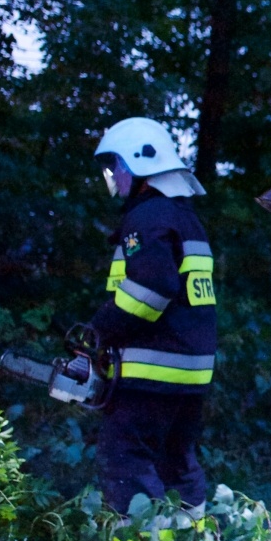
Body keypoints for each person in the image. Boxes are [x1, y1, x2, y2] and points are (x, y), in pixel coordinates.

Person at [88, 118, 217, 512]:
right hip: (190, 376)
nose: (113, 177)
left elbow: (153, 288)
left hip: (151, 375)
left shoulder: (147, 217)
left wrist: (99, 331)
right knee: (178, 467)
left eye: (116, 167)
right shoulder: (185, 218)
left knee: (126, 461)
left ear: (137, 163)